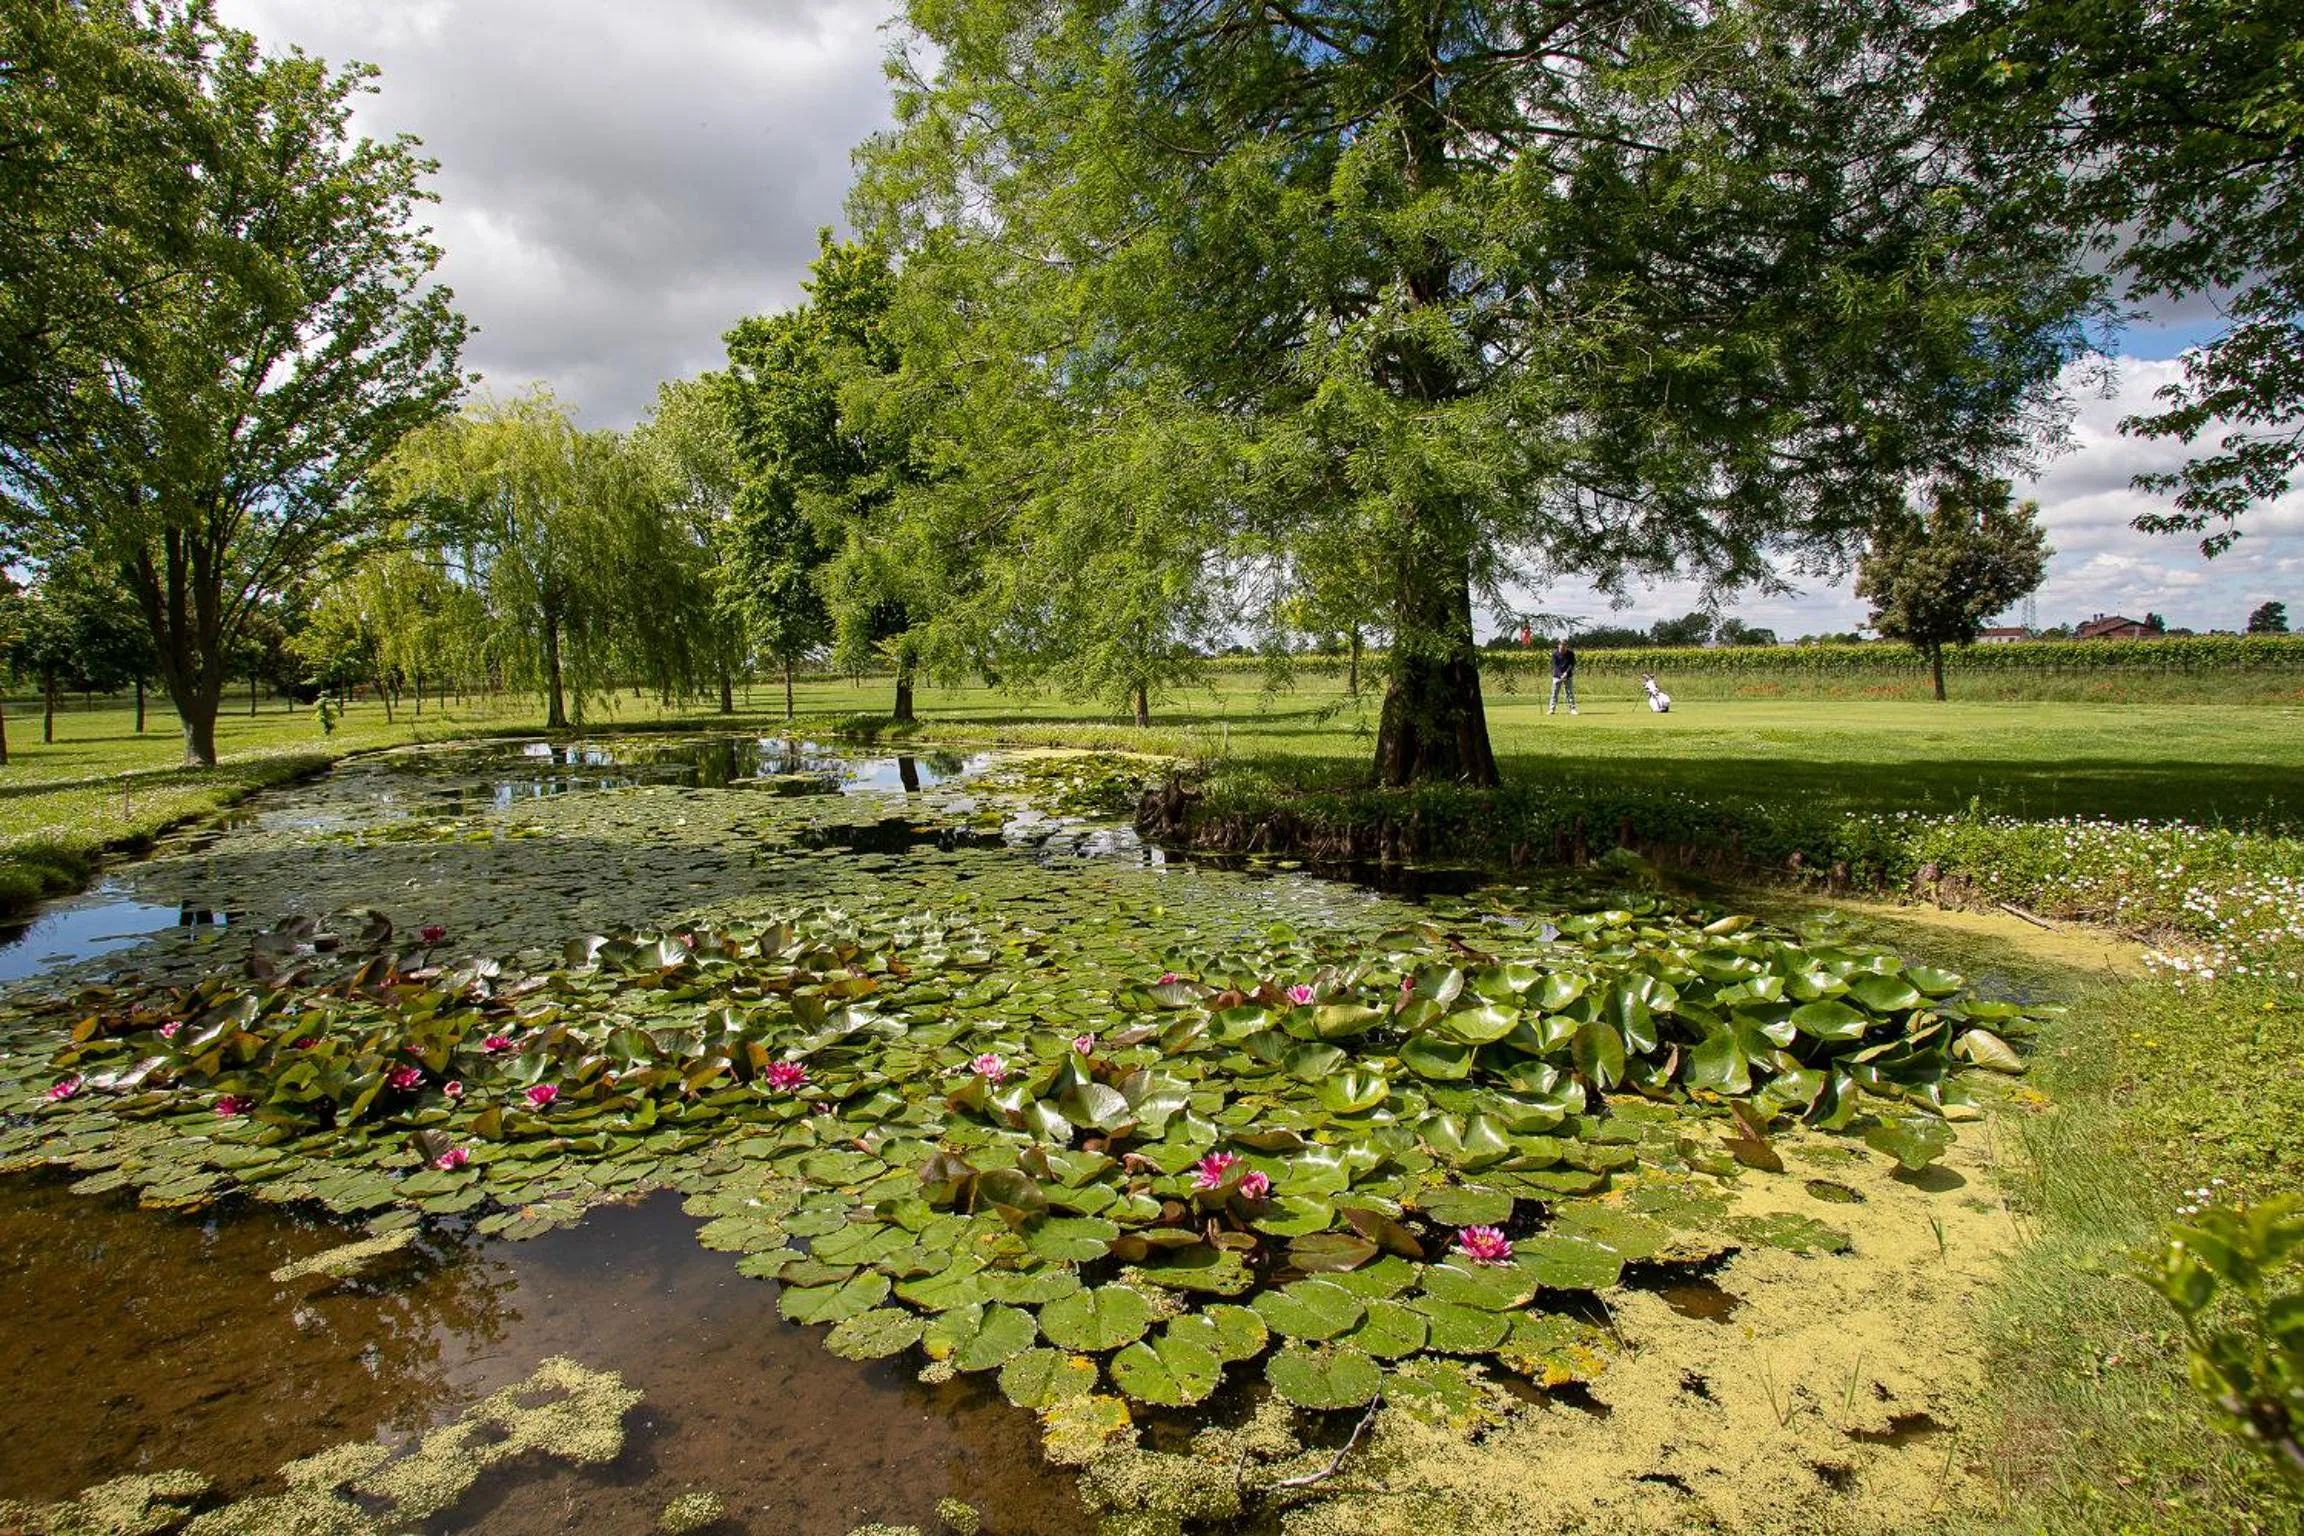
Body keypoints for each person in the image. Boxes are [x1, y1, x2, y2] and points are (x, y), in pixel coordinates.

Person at [1548, 638, 1577, 715]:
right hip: (1557, 676)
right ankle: (1552, 709)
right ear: (1559, 646)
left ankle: (1572, 709)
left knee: (1569, 692)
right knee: (1554, 692)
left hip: (1568, 675)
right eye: (1561, 647)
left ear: (1566, 646)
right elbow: (1555, 666)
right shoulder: (1555, 654)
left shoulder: (1570, 653)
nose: (1563, 649)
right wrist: (1561, 674)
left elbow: (1571, 664)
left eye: (1564, 647)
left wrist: (1566, 673)